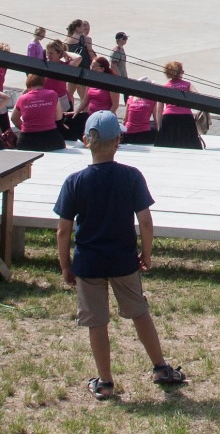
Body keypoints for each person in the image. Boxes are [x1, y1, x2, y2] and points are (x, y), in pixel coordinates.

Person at [54, 111, 187, 400]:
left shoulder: (74, 181)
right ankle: (160, 367)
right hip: (124, 259)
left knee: (97, 322)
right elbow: (146, 220)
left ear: (86, 141)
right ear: (118, 141)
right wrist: (146, 253)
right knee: (139, 312)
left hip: (88, 263)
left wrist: (65, 265)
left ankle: (105, 381)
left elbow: (63, 230)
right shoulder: (131, 176)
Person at [153, 62, 202, 150]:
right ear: (179, 73)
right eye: (182, 71)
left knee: (167, 147)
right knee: (190, 147)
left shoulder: (165, 87)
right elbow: (198, 96)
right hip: (185, 116)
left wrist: (160, 127)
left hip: (169, 117)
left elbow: (159, 110)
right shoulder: (187, 84)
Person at [13, 72, 67, 152]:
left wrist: (26, 127)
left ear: (28, 84)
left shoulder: (23, 98)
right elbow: (58, 117)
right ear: (43, 82)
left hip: (27, 140)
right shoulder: (53, 94)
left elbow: (14, 118)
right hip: (51, 138)